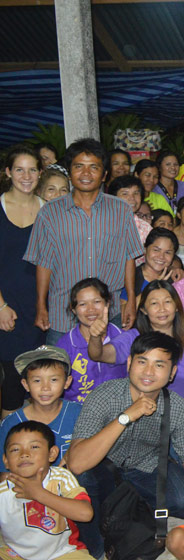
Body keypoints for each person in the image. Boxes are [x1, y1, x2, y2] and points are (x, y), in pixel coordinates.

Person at [68, 332, 184, 558]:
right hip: (104, 468)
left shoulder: (178, 408)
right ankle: (100, 537)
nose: (149, 372)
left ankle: (132, 508)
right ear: (130, 363)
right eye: (142, 362)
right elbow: (76, 463)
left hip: (147, 467)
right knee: (82, 477)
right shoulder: (104, 395)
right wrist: (126, 416)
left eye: (159, 365)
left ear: (172, 373)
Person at [25, 139, 144, 345]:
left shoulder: (121, 210)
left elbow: (128, 258)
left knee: (109, 374)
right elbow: (44, 263)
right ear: (70, 173)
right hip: (64, 314)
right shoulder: (49, 213)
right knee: (61, 371)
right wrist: (41, 305)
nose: (86, 174)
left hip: (110, 312)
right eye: (79, 167)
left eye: (94, 167)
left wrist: (131, 300)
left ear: (104, 174)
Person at [90, 279, 184, 406]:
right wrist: (95, 337)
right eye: (154, 303)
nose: (162, 309)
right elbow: (98, 355)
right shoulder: (133, 338)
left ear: (177, 306)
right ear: (144, 309)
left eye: (167, 302)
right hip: (140, 416)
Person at [1, 421, 94, 560]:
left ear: (52, 453)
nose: (24, 454)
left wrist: (38, 493)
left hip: (63, 552)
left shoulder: (60, 478)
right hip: (14, 554)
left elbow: (85, 514)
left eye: (34, 447)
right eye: (15, 449)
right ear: (6, 460)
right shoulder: (3, 490)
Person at [1, 146, 47, 415]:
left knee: (38, 382)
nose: (26, 176)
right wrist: (0, 307)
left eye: (32, 169)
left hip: (39, 307)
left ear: (40, 173)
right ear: (8, 172)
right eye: (19, 169)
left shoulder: (49, 211)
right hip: (5, 306)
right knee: (10, 385)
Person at [0, 346, 82, 471]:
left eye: (54, 380)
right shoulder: (11, 423)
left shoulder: (80, 413)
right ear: (25, 384)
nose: (45, 387)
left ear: (67, 382)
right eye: (37, 380)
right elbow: (4, 473)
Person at [58, 279, 126, 404]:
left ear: (107, 303)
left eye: (97, 302)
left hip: (118, 407)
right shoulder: (65, 345)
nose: (91, 310)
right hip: (78, 410)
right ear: (74, 309)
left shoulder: (122, 337)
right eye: (83, 304)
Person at [124, 227, 181, 306]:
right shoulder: (131, 277)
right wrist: (153, 286)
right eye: (156, 250)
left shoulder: (175, 279)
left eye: (167, 252)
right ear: (145, 249)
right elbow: (125, 314)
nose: (161, 256)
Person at [108, 176, 153, 245]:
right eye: (125, 194)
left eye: (136, 193)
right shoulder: (101, 225)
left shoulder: (146, 228)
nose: (132, 198)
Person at [155, 150, 184, 215]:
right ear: (159, 167)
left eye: (175, 164)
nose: (173, 167)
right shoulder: (154, 188)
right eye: (168, 164)